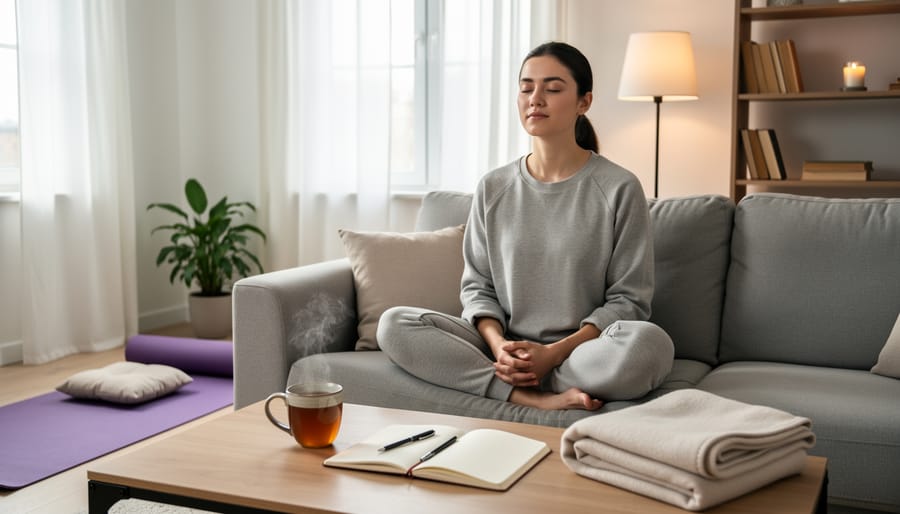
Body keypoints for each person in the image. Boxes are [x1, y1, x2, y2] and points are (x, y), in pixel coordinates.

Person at [377, 42, 673, 411]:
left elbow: (629, 300)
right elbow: (478, 287)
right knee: (395, 324)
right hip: (501, 351)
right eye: (526, 87)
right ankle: (527, 395)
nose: (536, 99)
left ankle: (528, 382)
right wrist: (500, 346)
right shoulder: (493, 186)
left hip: (582, 353)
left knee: (651, 346)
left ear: (584, 102)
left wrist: (552, 354)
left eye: (552, 88)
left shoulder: (618, 187)